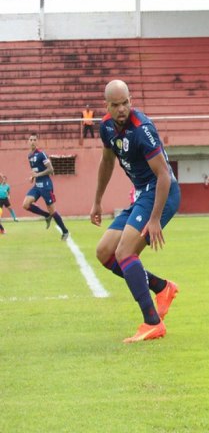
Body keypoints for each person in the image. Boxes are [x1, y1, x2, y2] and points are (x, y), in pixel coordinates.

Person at [90, 79, 181, 343]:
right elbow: (107, 162)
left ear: (131, 100)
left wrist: (155, 219)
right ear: (106, 106)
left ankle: (152, 323)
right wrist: (97, 200)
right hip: (142, 194)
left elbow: (164, 175)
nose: (122, 109)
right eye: (116, 104)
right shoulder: (106, 127)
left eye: (126, 102)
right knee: (105, 252)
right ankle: (162, 288)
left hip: (162, 192)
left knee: (124, 252)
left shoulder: (143, 130)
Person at [23, 133, 70, 240]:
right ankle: (46, 215)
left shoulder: (41, 154)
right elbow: (36, 170)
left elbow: (51, 170)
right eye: (31, 140)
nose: (33, 141)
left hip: (46, 185)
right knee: (25, 204)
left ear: (37, 141)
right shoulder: (29, 155)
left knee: (52, 210)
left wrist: (37, 175)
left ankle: (65, 231)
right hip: (37, 186)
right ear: (28, 142)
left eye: (34, 139)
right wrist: (33, 177)